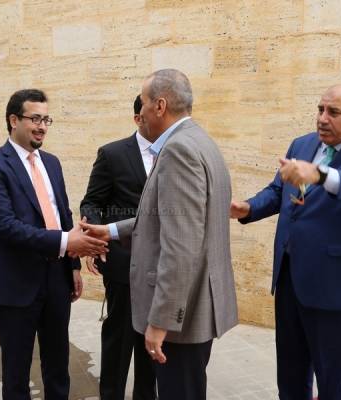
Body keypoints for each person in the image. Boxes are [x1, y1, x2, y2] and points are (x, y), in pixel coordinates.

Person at [230, 84, 341, 399]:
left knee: (334, 383)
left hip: (337, 286)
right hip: (290, 277)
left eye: (333, 112)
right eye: (320, 109)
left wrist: (322, 175)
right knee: (291, 377)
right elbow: (279, 190)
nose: (322, 118)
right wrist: (248, 208)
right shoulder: (303, 144)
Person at [81, 69, 238, 400]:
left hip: (182, 315)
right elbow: (166, 219)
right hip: (197, 304)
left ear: (160, 106)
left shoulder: (178, 151)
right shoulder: (200, 140)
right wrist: (110, 230)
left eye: (144, 102)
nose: (141, 111)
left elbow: (180, 247)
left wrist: (160, 321)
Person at [0, 89, 108, 400]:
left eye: (46, 120)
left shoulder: (52, 163)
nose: (42, 126)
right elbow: (6, 227)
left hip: (57, 279)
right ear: (13, 120)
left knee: (58, 364)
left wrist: (73, 265)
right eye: (35, 119)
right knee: (16, 372)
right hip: (16, 282)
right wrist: (67, 241)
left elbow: (62, 215)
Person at [80, 95, 156, 400]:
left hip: (162, 266)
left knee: (153, 342)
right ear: (138, 118)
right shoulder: (112, 154)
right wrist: (95, 240)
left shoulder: (174, 153)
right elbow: (91, 202)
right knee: (120, 338)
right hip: (123, 263)